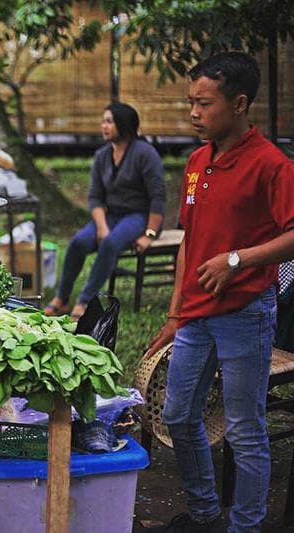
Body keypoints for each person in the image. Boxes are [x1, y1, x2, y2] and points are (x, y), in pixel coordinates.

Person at [145, 52, 294, 532]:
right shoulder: (195, 162)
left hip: (246, 314)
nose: (193, 113)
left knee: (246, 431)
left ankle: (245, 526)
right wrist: (174, 314)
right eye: (191, 102)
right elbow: (190, 239)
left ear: (240, 104)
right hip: (196, 315)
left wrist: (238, 260)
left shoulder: (272, 165)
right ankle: (206, 514)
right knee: (179, 415)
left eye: (204, 104)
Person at [44, 102, 166, 319]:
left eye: (109, 121)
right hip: (110, 216)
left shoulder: (145, 154)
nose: (104, 126)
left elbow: (158, 197)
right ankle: (62, 299)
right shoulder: (102, 155)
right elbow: (95, 197)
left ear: (123, 125)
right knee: (78, 242)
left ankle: (85, 300)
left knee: (110, 243)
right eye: (103, 121)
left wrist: (149, 234)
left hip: (139, 216)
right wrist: (101, 226)